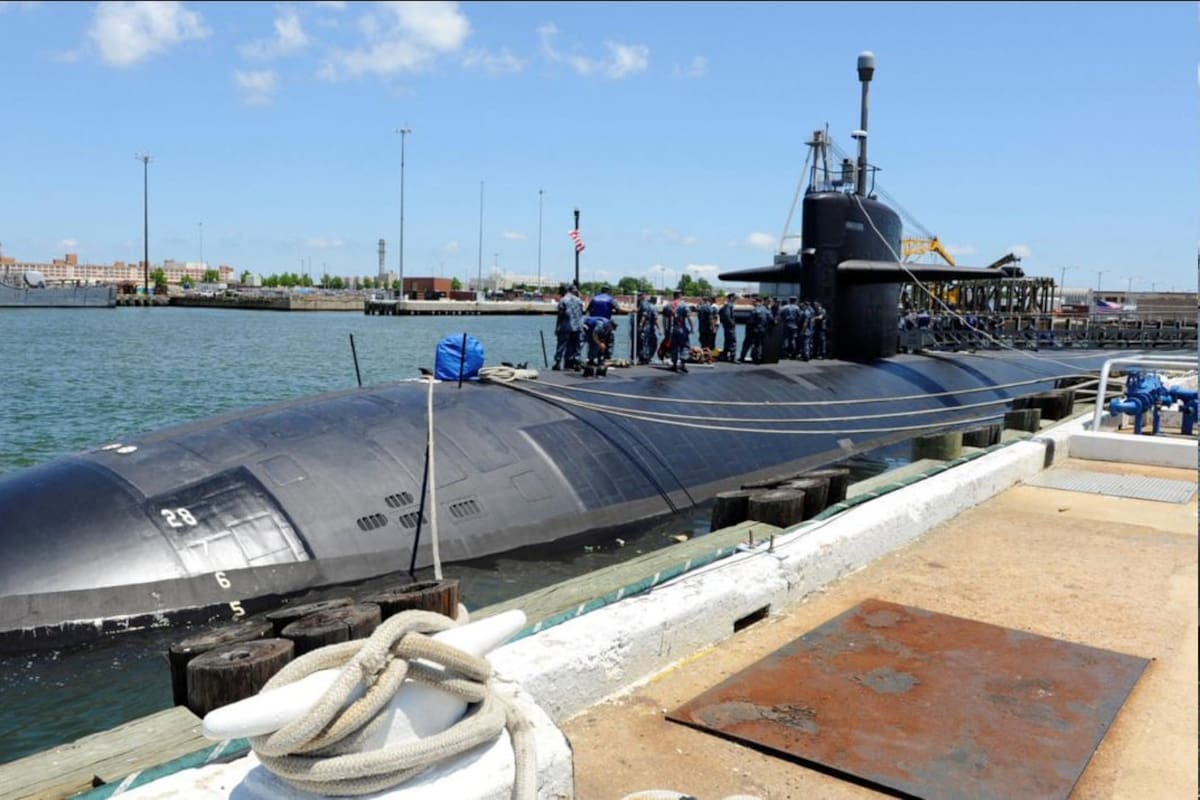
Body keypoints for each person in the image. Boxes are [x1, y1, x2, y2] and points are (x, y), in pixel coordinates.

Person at [553, 286, 584, 370]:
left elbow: (560, 315)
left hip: (566, 326)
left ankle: (558, 363)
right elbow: (581, 313)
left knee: (561, 345)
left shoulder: (563, 300)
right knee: (577, 346)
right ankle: (577, 363)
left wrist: (557, 328)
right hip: (578, 326)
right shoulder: (579, 300)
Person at [669, 295, 692, 373]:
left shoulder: (670, 305)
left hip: (674, 329)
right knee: (684, 346)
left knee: (674, 347)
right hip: (682, 328)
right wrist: (692, 327)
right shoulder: (684, 305)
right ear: (680, 296)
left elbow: (666, 318)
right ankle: (683, 365)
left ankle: (674, 364)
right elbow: (689, 317)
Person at [636, 291, 658, 365]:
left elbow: (644, 315)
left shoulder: (644, 304)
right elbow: (644, 315)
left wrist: (640, 325)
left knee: (644, 342)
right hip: (647, 327)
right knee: (645, 342)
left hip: (646, 327)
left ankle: (643, 358)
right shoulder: (645, 304)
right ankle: (644, 357)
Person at [718, 292, 738, 362]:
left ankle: (724, 356)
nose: (736, 299)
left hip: (727, 327)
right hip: (730, 327)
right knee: (733, 341)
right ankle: (733, 357)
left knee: (727, 341)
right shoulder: (729, 305)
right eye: (735, 297)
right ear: (731, 298)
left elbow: (720, 312)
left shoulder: (726, 305)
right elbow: (727, 315)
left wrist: (723, 322)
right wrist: (731, 323)